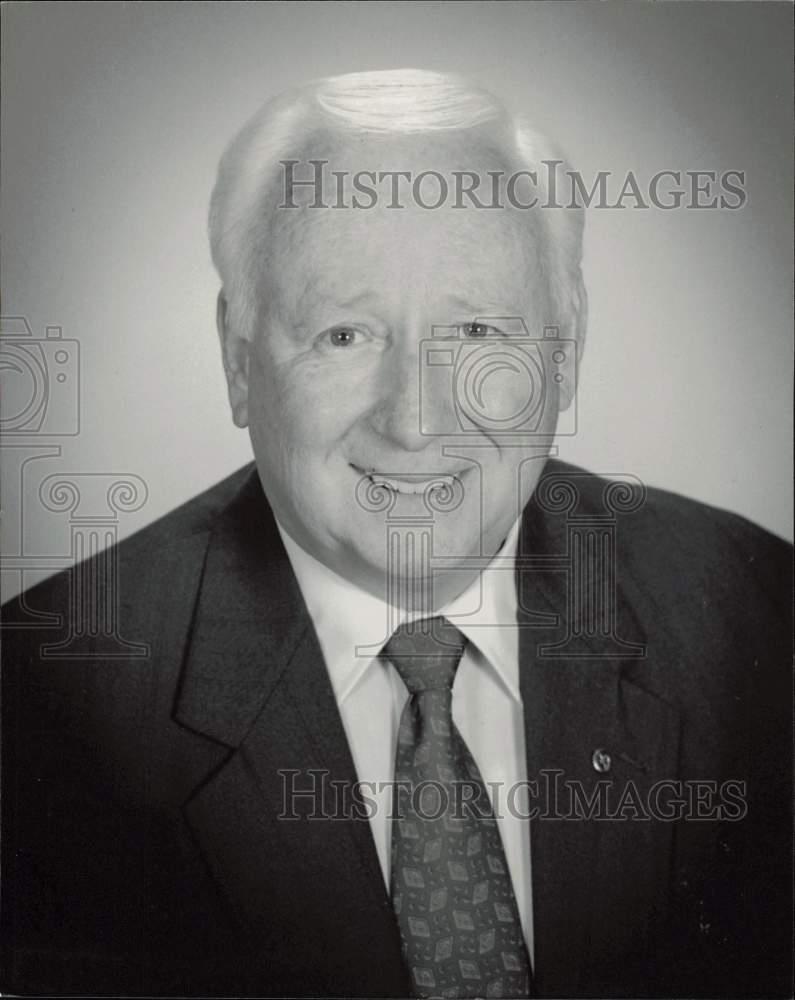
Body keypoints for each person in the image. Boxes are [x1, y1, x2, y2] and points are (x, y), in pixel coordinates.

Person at [1, 69, 791, 999]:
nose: (417, 422)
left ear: (565, 351)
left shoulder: (758, 609)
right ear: (238, 358)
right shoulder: (40, 709)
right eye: (343, 335)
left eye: (476, 330)